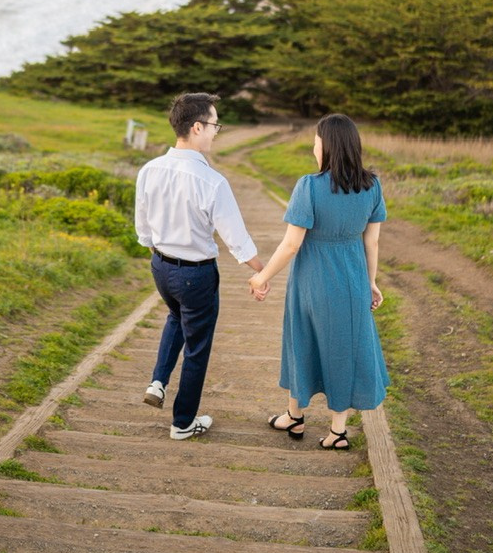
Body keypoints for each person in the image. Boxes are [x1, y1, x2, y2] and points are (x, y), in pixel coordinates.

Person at [248, 113, 388, 449]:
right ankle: (337, 432)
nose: (314, 146)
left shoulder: (309, 186)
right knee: (345, 349)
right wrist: (370, 282)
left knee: (301, 341)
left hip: (312, 281)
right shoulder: (372, 185)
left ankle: (295, 416)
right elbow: (372, 242)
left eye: (316, 140)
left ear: (326, 145)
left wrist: (261, 277)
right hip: (353, 280)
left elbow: (291, 245)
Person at [135, 92, 265, 439]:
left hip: (161, 267)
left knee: (176, 316)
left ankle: (158, 381)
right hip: (196, 274)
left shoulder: (149, 170)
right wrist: (260, 269)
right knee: (197, 346)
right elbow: (236, 237)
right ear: (196, 127)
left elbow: (143, 229)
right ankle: (182, 423)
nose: (215, 132)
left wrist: (161, 252)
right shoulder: (211, 181)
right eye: (214, 125)